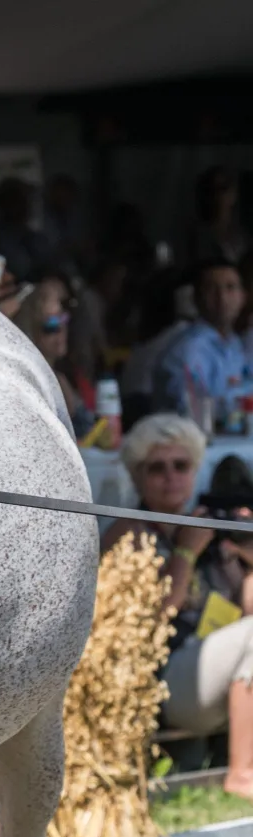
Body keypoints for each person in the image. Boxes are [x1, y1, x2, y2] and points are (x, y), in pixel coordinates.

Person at [101, 414, 253, 800]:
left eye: (181, 466)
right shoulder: (128, 533)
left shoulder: (206, 525)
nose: (171, 477)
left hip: (217, 678)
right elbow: (148, 623)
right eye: (157, 468)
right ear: (137, 477)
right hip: (163, 684)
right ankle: (242, 775)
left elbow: (244, 608)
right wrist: (185, 552)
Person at [152, 259, 249, 423]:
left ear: (243, 297)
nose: (222, 298)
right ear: (196, 298)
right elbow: (193, 409)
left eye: (230, 288)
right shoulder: (189, 347)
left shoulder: (234, 343)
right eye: (212, 289)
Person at [15, 275, 95, 437]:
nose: (61, 331)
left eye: (63, 319)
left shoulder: (64, 374)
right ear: (31, 332)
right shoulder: (31, 381)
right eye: (50, 327)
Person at [0, 176, 54, 284]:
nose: (28, 206)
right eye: (22, 201)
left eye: (28, 201)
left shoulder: (30, 235)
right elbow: (20, 270)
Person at [187, 166, 248, 267]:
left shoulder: (243, 237)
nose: (218, 195)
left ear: (234, 194)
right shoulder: (198, 237)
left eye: (223, 188)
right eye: (212, 190)